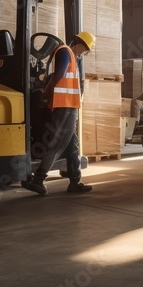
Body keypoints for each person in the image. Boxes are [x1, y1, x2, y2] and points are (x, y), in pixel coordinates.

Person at [22, 31, 96, 195]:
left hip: (70, 107)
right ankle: (38, 180)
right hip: (65, 107)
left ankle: (75, 181)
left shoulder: (71, 57)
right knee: (57, 143)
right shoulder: (65, 52)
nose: (85, 53)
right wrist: (45, 86)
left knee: (72, 146)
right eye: (86, 50)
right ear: (82, 45)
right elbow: (58, 76)